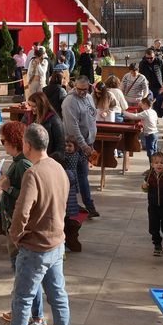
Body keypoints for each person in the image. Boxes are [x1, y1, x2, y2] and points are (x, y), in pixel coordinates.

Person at [0, 122, 72, 325]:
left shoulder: (33, 173)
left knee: (22, 298)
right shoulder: (57, 167)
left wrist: (16, 237)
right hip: (56, 243)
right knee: (58, 297)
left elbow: (21, 212)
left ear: (27, 145)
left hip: (35, 247)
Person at [0, 120, 48, 325]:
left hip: (19, 229)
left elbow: (27, 199)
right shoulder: (17, 161)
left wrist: (8, 188)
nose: (2, 144)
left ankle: (37, 318)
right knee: (21, 276)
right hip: (11, 223)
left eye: (3, 140)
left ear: (14, 142)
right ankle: (19, 311)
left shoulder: (24, 164)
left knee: (25, 276)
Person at [59, 75, 99, 218]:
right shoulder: (70, 102)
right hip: (75, 145)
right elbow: (73, 127)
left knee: (82, 175)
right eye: (79, 89)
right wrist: (83, 145)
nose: (82, 92)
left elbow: (92, 116)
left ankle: (88, 205)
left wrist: (91, 140)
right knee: (73, 176)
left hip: (88, 141)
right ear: (75, 86)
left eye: (85, 89)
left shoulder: (88, 97)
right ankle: (74, 205)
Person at [132, 98, 160, 163]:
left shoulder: (146, 112)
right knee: (154, 151)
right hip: (155, 133)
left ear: (145, 104)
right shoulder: (153, 111)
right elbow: (156, 121)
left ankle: (152, 167)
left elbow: (135, 116)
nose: (141, 106)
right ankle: (154, 167)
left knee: (150, 152)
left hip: (150, 134)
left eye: (142, 105)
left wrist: (124, 112)